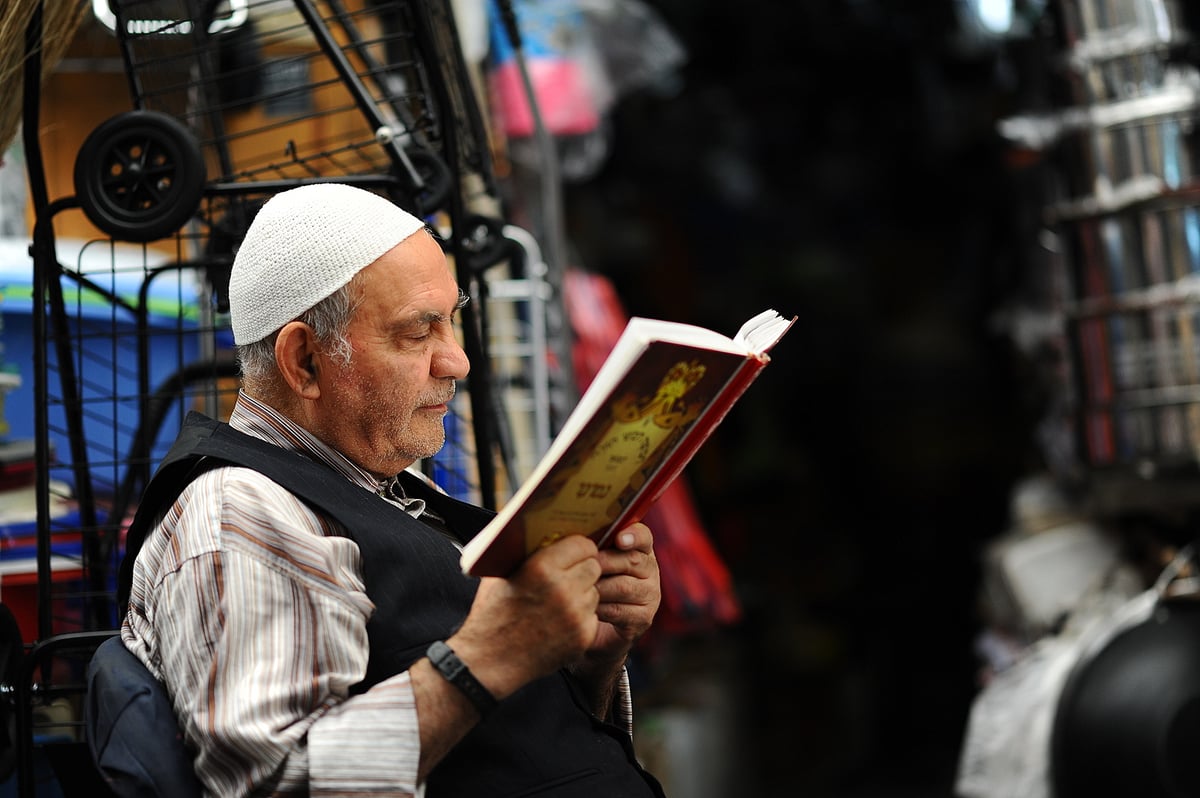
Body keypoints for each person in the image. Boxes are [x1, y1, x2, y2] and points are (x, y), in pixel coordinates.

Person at [116, 182, 666, 796]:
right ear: (304, 361)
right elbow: (277, 784)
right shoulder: (240, 514)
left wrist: (588, 656)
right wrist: (486, 657)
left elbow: (512, 747)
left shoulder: (377, 484)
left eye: (451, 321)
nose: (456, 361)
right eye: (417, 332)